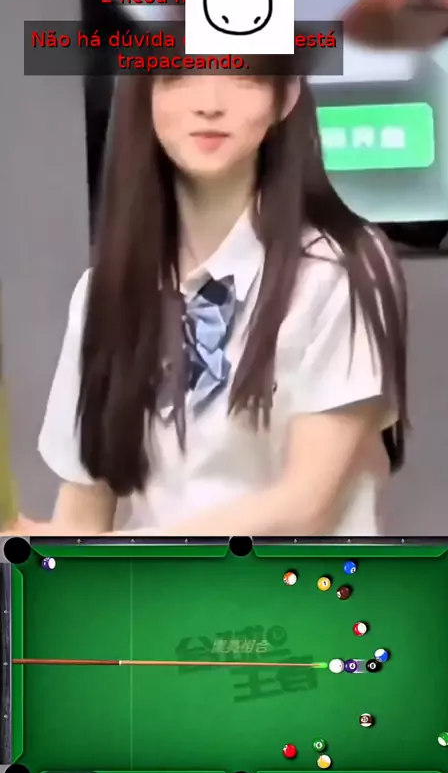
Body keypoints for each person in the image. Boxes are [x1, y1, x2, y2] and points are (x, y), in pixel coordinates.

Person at [6, 62, 407, 537]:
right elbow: (81, 520)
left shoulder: (340, 269)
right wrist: (36, 546)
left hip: (299, 583)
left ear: (286, 94)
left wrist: (119, 551)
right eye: (180, 75)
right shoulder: (103, 294)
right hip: (143, 583)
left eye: (242, 76)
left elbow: (306, 505)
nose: (210, 104)